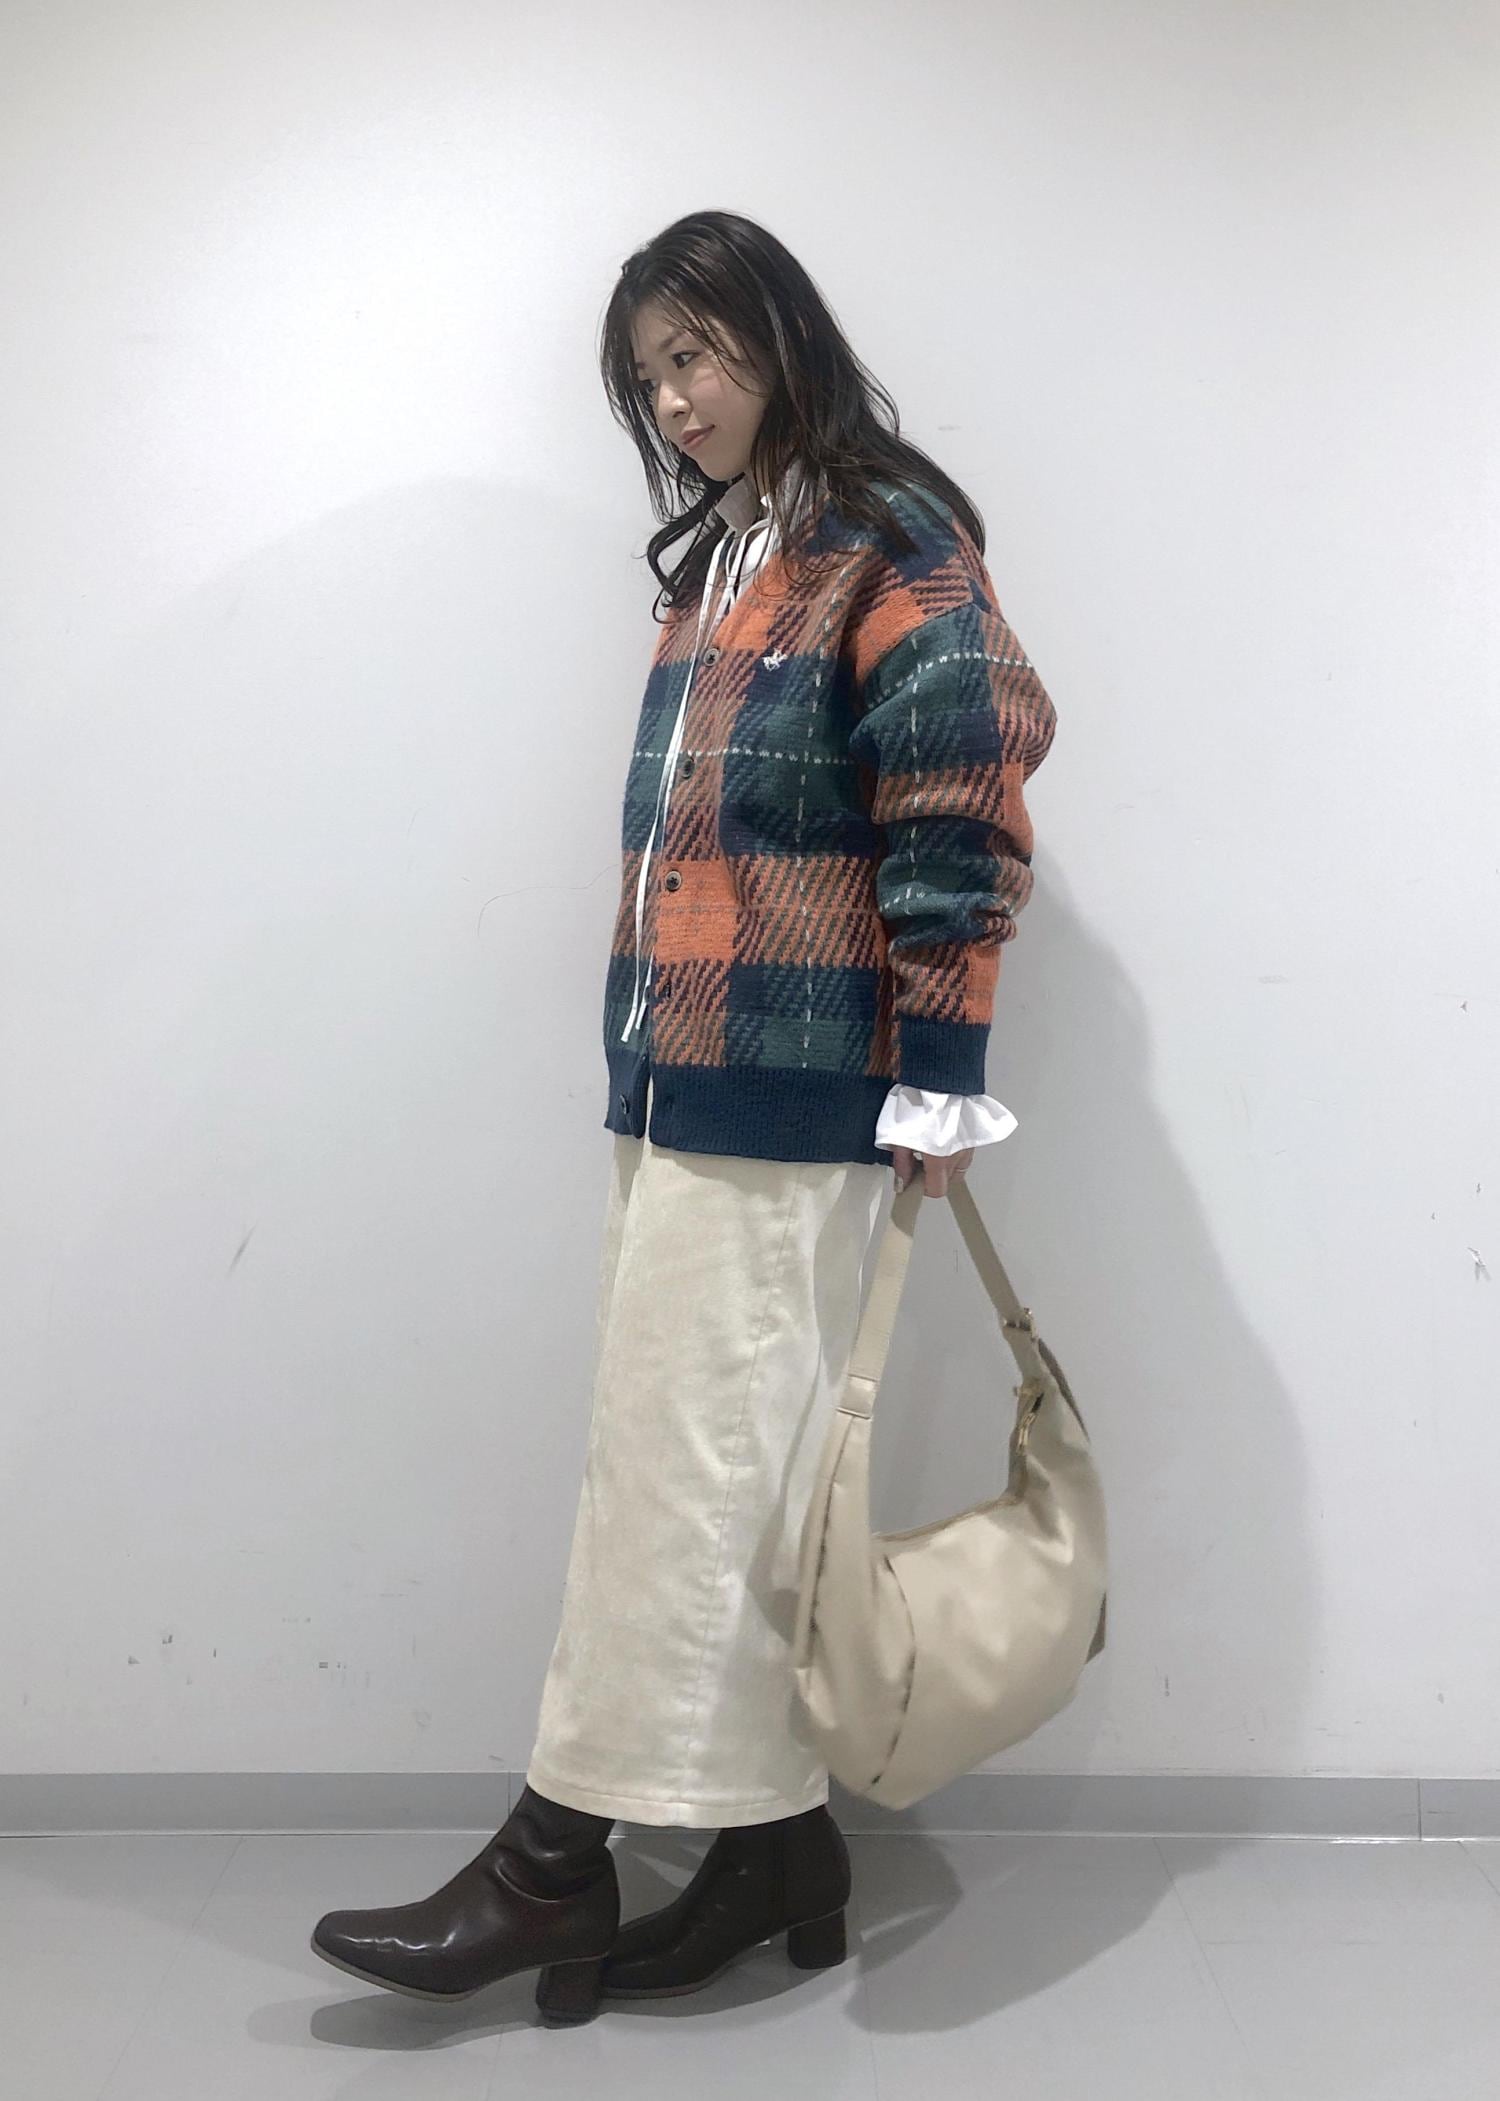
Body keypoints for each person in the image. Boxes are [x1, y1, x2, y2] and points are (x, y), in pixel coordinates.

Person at [311, 208, 1058, 2027]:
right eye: (652, 374)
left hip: (794, 1093)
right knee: (720, 1480)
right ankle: (775, 1853)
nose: (677, 397)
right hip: (680, 1078)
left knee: (684, 1484)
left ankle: (552, 1861)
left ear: (781, 338)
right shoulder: (731, 552)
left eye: (699, 354)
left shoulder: (886, 536)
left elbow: (964, 783)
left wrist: (942, 1066)